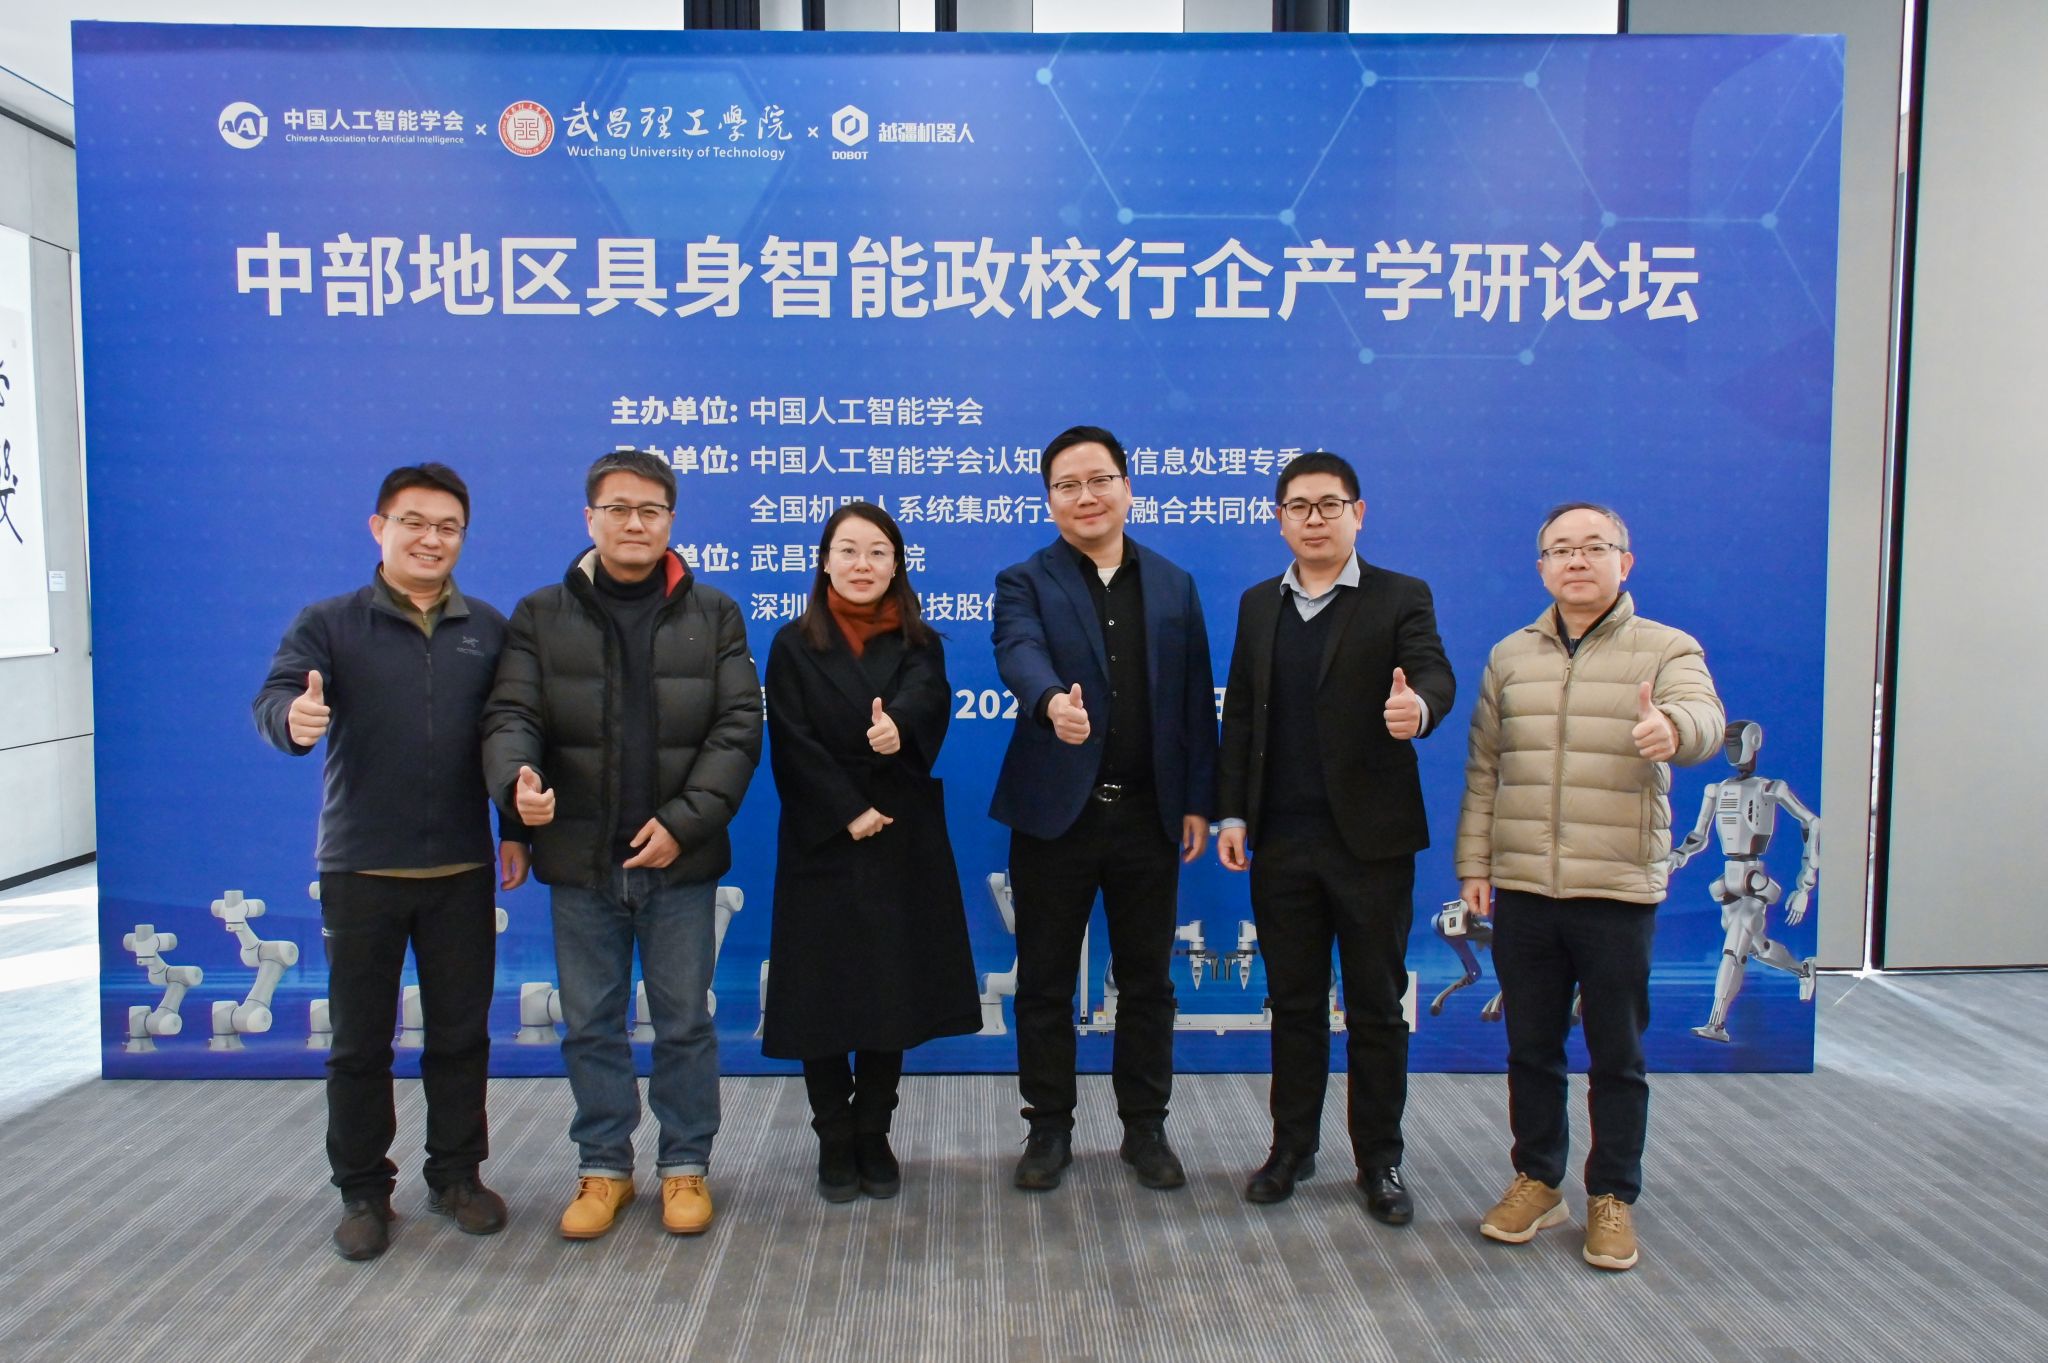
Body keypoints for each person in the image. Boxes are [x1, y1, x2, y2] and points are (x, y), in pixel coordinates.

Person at [482, 449, 762, 1241]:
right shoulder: (541, 613)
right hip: (581, 860)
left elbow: (738, 726)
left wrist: (684, 823)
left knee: (684, 1022)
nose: (634, 522)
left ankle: (685, 1165)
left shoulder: (715, 612)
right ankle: (604, 1165)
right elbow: (511, 716)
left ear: (670, 520)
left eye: (650, 510)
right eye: (618, 508)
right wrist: (518, 789)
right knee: (591, 1024)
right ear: (590, 518)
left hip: (681, 860)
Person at [253, 463, 524, 1262]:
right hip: (361, 868)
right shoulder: (330, 623)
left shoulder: (488, 628)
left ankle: (457, 1175)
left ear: (463, 537)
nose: (431, 538)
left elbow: (512, 731)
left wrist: (515, 827)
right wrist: (294, 718)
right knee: (359, 1044)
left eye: (448, 527)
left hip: (460, 870)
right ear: (381, 528)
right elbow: (275, 698)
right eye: (415, 522)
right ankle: (364, 1191)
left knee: (460, 1036)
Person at [1455, 501, 1724, 1272]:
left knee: (1617, 1053)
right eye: (1561, 549)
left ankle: (1612, 1193)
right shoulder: (1510, 655)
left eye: (1594, 547)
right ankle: (1539, 1179)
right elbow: (1485, 768)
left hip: (1615, 887)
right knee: (1531, 1047)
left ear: (1624, 562)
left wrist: (1673, 730)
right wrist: (1475, 863)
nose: (1577, 560)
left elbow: (1704, 718)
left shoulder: (1667, 647)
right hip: (1524, 886)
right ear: (1542, 565)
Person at [1214, 451, 1454, 1225]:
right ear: (1279, 518)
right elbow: (1240, 712)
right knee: (1293, 1004)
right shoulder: (1259, 604)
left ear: (1359, 512)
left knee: (1377, 1006)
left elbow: (1434, 674)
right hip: (1282, 840)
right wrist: (1232, 814)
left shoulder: (1400, 595)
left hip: (1371, 842)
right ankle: (1291, 1147)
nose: (1314, 518)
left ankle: (1380, 1159)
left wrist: (1418, 709)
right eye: (1299, 506)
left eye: (1329, 504)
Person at [989, 424, 1217, 1193]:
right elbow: (1017, 650)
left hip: (1149, 813)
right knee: (1045, 981)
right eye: (1067, 485)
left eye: (1098, 480)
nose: (1084, 496)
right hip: (1056, 813)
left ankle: (1145, 1127)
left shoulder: (1174, 583)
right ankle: (1048, 1127)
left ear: (1126, 486)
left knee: (1148, 981)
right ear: (1049, 498)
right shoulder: (1025, 580)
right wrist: (1052, 701)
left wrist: (1197, 800)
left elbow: (1195, 698)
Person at [759, 503, 982, 1202]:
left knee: (890, 988)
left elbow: (928, 697)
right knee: (821, 993)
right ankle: (833, 1133)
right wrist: (845, 809)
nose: (863, 564)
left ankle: (874, 1130)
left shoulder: (921, 640)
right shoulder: (792, 643)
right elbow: (790, 740)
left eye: (877, 552)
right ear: (825, 561)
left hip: (899, 831)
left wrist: (900, 728)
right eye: (848, 550)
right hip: (824, 834)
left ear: (897, 564)